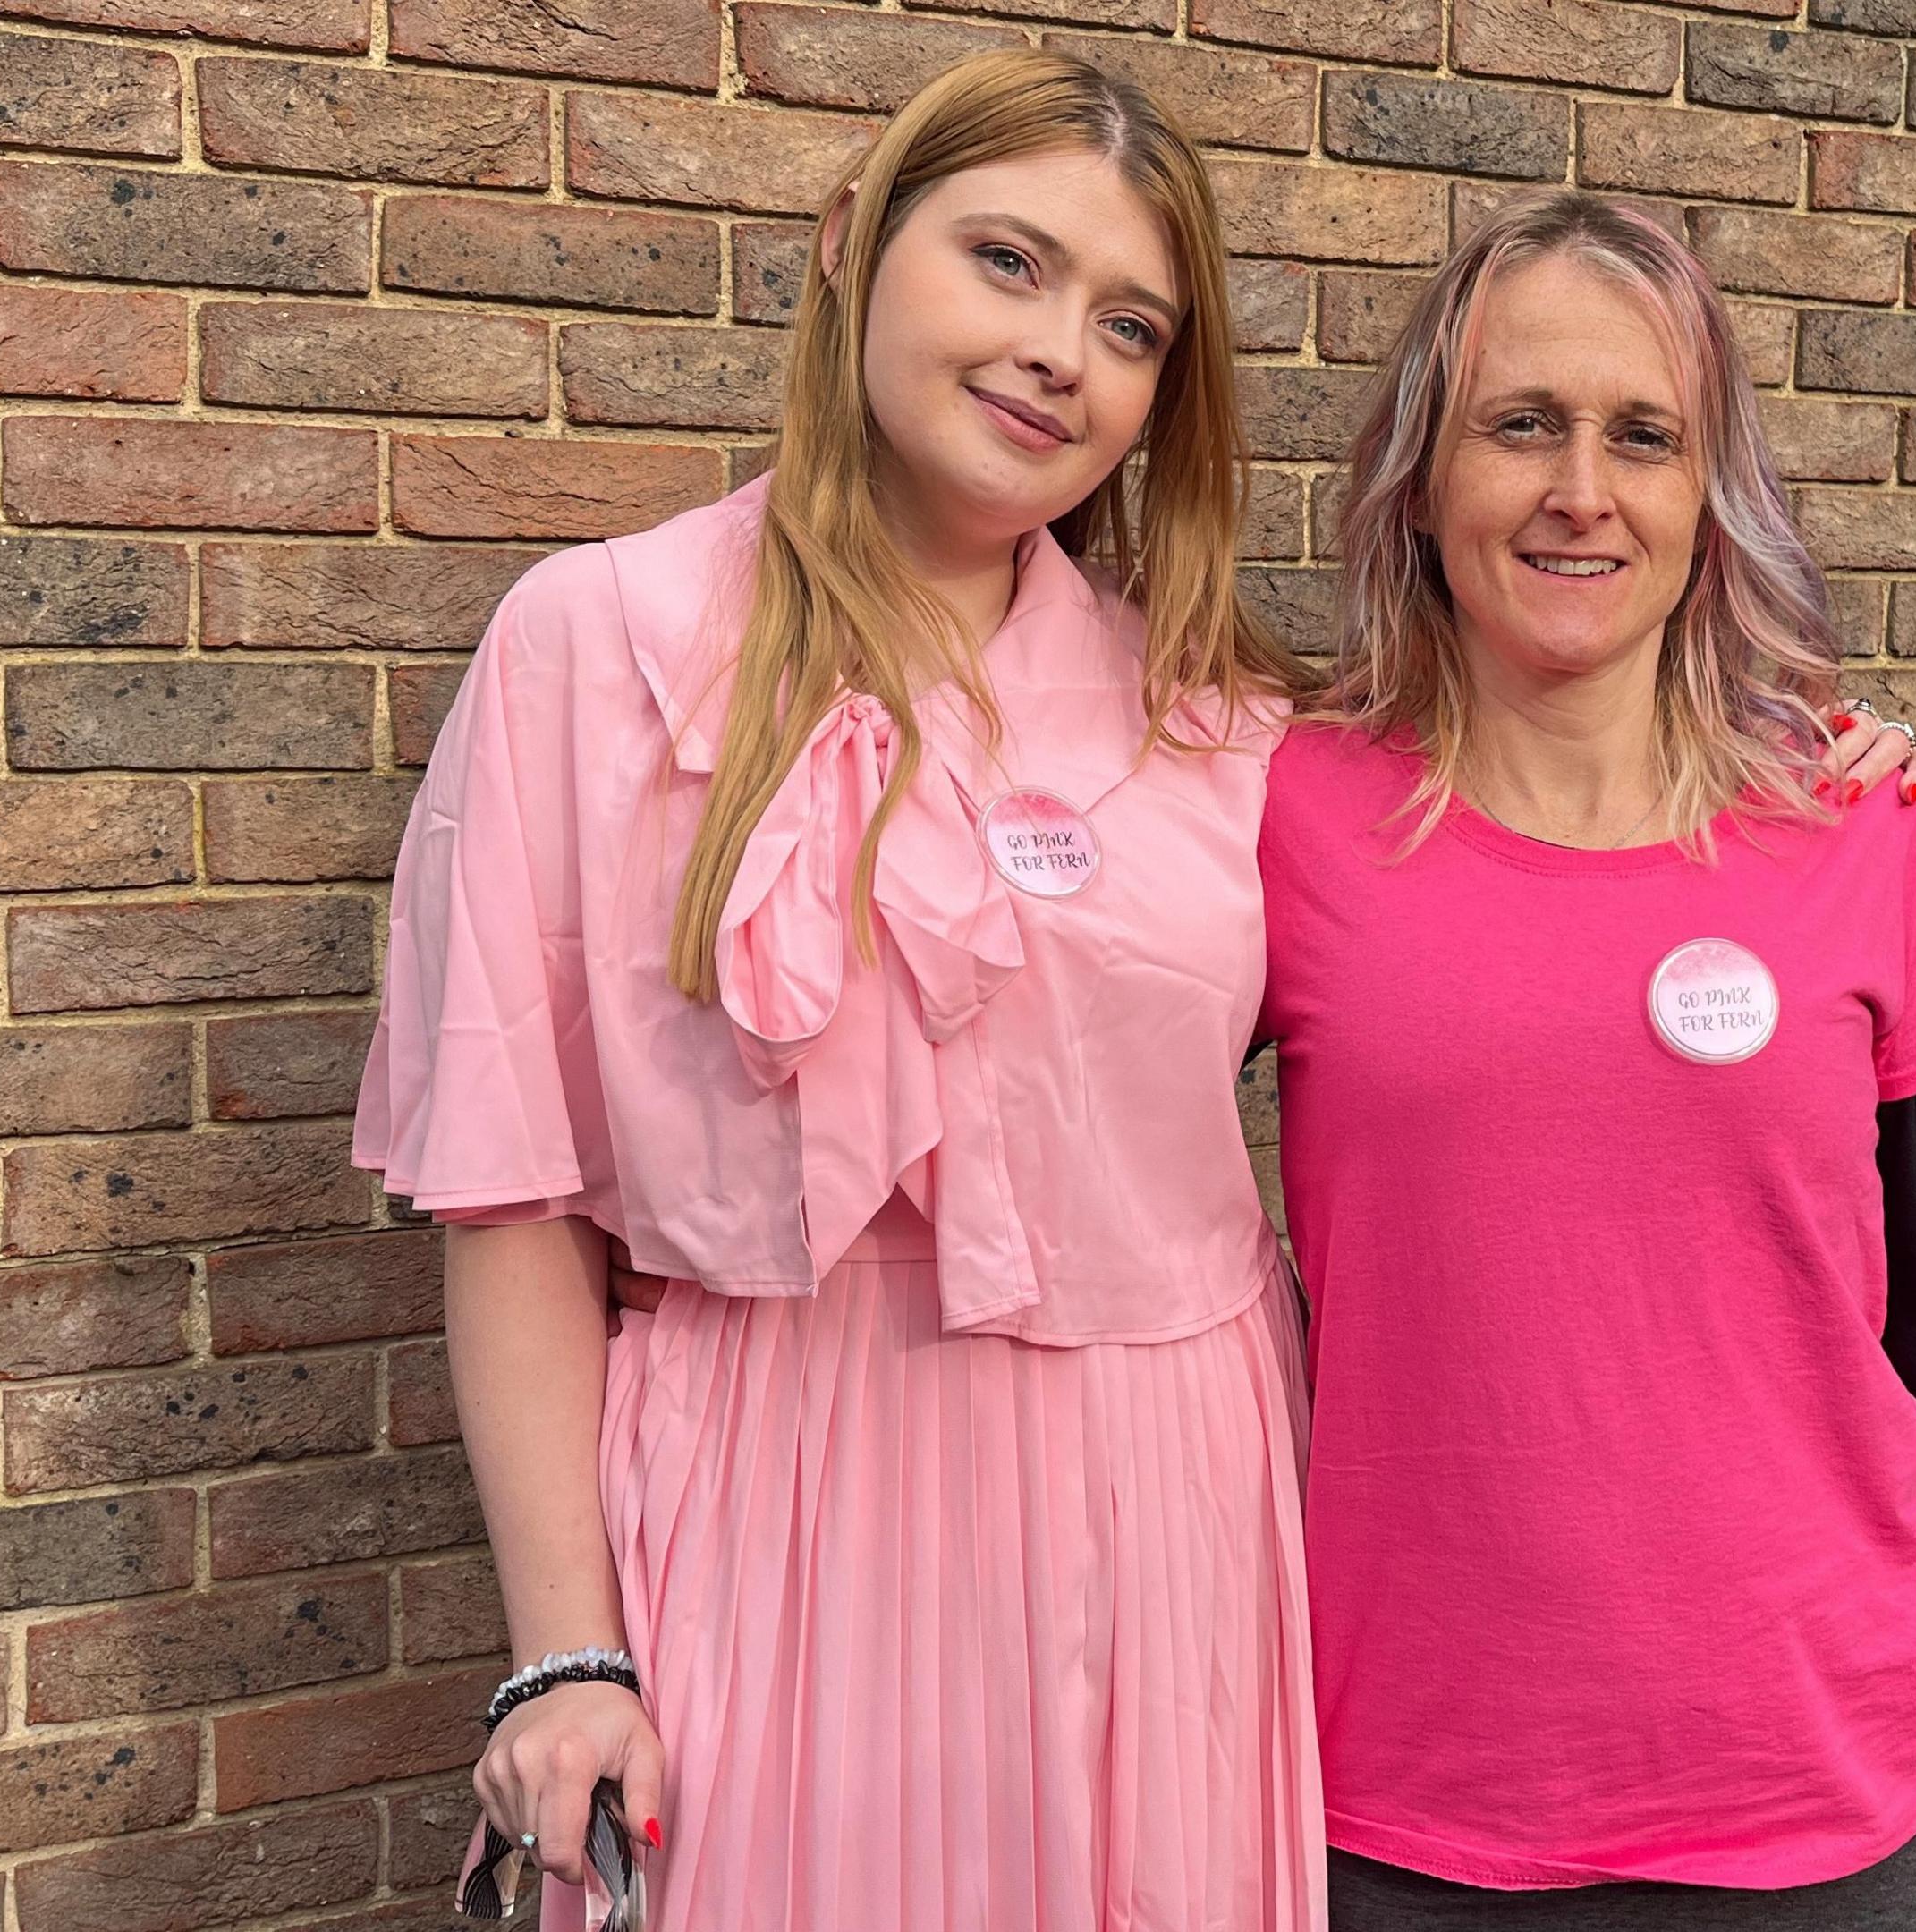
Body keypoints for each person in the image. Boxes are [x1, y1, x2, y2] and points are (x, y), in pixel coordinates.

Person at [356, 53, 1326, 1931]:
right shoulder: (593, 648)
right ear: (848, 250)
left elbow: (1520, 934)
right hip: (769, 1499)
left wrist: (1804, 780)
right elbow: (508, 1192)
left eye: (1130, 324)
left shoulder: (1224, 725)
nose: (1064, 350)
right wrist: (567, 1654)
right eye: (1009, 263)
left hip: (1169, 1504)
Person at [1256, 191, 1916, 1931]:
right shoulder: (1280, 817)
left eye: (1645, 436)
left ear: (1710, 500)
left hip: (1814, 1792)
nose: (1583, 489)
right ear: (1422, 474)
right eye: (1522, 424)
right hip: (1396, 1794)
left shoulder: (1858, 827)